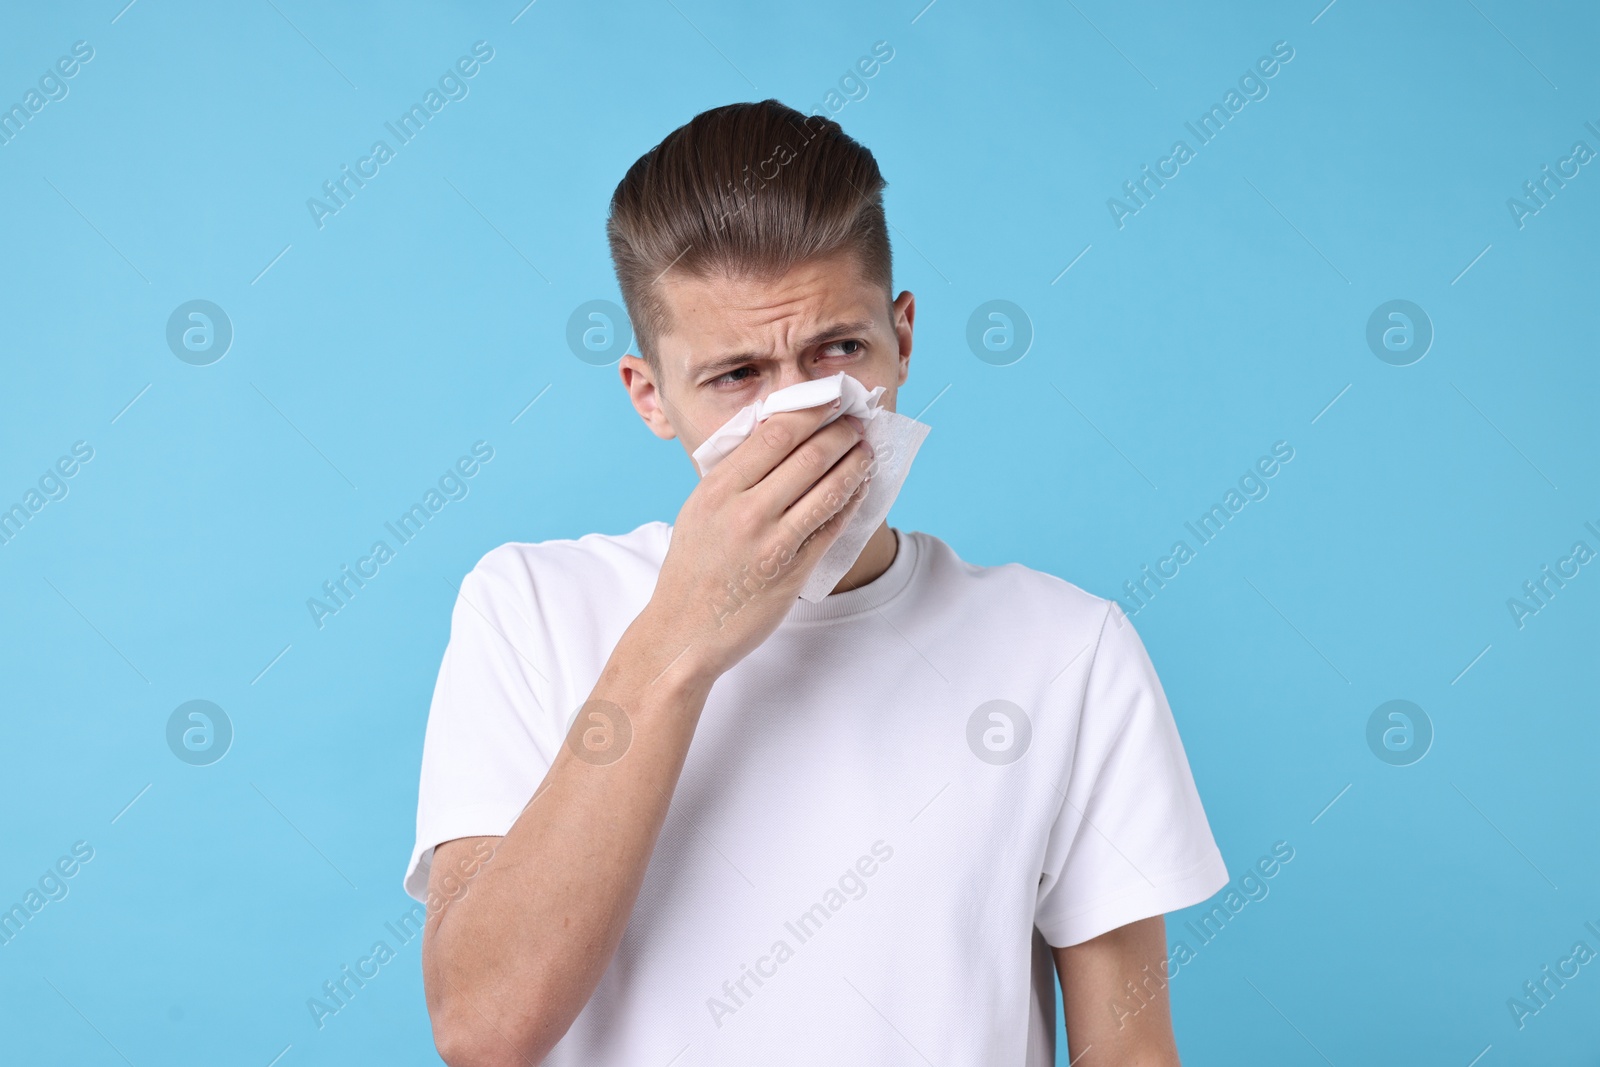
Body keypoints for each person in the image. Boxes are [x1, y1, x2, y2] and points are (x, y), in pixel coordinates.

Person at [404, 98, 1229, 1066]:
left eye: (838, 350)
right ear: (649, 395)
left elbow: (1127, 1052)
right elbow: (482, 1028)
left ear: (903, 339)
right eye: (737, 373)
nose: (801, 411)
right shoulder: (530, 608)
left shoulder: (1067, 647)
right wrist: (680, 638)